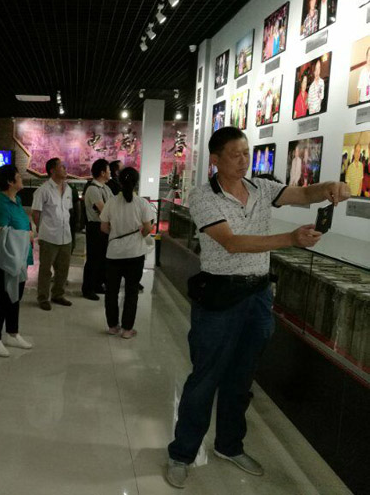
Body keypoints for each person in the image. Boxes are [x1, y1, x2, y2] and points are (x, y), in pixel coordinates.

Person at [165, 126, 350, 489]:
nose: (244, 160)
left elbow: (302, 193)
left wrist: (329, 186)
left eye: (247, 152)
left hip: (258, 295)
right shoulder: (203, 197)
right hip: (220, 296)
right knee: (205, 378)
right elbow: (231, 243)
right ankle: (181, 453)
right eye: (235, 154)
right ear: (215, 160)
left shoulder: (261, 188)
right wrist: (290, 239)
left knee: (241, 378)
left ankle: (229, 445)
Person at [99, 168, 154, 338]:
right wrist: (138, 235)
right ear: (136, 182)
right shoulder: (142, 203)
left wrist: (116, 234)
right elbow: (148, 228)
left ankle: (112, 326)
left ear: (120, 182)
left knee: (111, 292)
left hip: (114, 254)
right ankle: (127, 330)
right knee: (131, 292)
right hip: (135, 254)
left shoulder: (111, 202)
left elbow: (104, 227)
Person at [0, 164, 34, 357]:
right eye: (18, 177)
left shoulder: (17, 200)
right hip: (8, 258)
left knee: (16, 296)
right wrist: (26, 235)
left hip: (21, 256)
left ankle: (12, 333)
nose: (21, 179)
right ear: (10, 182)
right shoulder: (0, 206)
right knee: (5, 298)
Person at [31, 158, 73, 311]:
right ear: (52, 170)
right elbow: (36, 213)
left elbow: (67, 211)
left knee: (63, 269)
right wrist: (41, 230)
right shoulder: (43, 190)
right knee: (45, 270)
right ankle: (43, 297)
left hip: (65, 236)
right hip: (49, 236)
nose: (65, 168)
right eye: (61, 166)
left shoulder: (68, 189)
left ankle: (58, 294)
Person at [82, 159, 113, 300]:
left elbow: (113, 205)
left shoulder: (106, 188)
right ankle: (88, 288)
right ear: (102, 173)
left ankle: (98, 284)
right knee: (93, 259)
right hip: (95, 227)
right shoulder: (93, 189)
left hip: (105, 226)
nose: (110, 172)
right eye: (108, 170)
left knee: (102, 258)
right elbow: (103, 209)